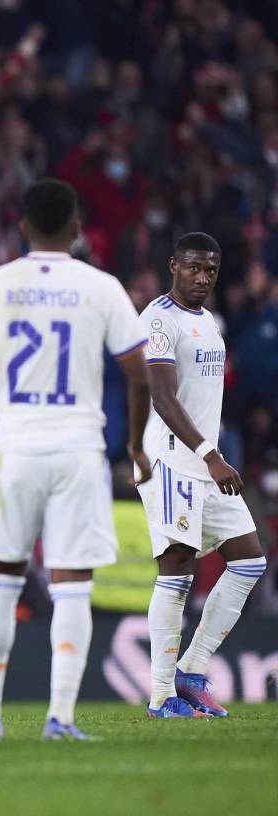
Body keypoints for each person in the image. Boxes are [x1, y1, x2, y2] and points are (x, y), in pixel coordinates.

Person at [0, 178, 151, 741]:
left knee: (0, 582)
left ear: (23, 227)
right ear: (78, 229)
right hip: (81, 449)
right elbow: (139, 373)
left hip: (16, 448)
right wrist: (134, 443)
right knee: (73, 583)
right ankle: (60, 719)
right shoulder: (101, 287)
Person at [138, 232, 267, 718]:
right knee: (176, 571)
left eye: (210, 270)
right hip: (172, 462)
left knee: (250, 560)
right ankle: (160, 696)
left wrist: (211, 457)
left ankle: (191, 670)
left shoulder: (208, 321)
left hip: (206, 462)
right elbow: (163, 398)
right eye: (193, 268)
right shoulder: (157, 320)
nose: (202, 278)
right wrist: (211, 454)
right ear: (173, 265)